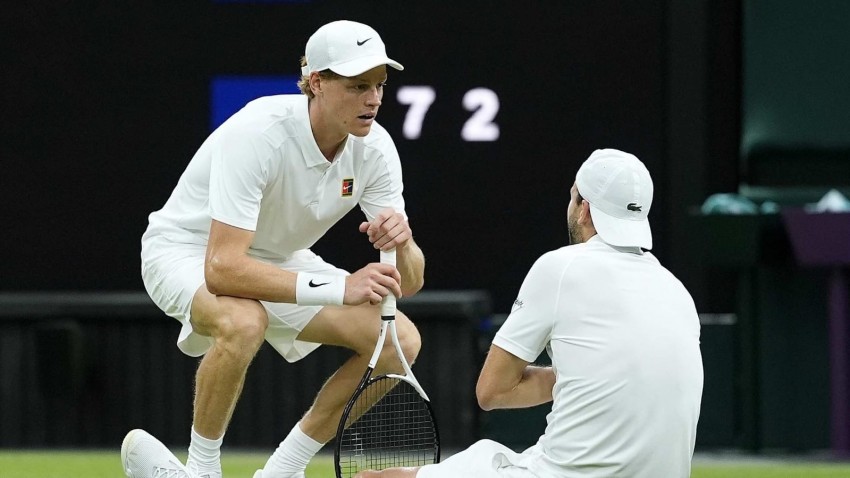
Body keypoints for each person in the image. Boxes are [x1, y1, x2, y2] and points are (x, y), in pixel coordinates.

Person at [121, 20, 425, 478]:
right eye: (358, 85)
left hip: (277, 258)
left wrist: (403, 245)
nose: (374, 99)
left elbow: (412, 282)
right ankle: (201, 471)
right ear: (316, 83)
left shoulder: (376, 149)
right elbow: (223, 269)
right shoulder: (259, 132)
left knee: (399, 341)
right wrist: (340, 287)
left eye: (380, 85)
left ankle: (283, 471)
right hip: (187, 251)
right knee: (244, 320)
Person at [357, 149, 703, 478]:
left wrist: (570, 377)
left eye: (572, 197)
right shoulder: (678, 292)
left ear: (583, 209)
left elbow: (491, 392)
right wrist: (588, 376)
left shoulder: (560, 268)